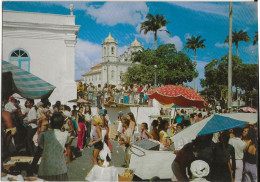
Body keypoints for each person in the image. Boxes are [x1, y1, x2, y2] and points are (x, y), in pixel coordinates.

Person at [38, 112, 69, 181]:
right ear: (62, 125)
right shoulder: (65, 135)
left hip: (46, 168)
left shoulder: (44, 135)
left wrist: (33, 165)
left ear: (50, 124)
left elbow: (39, 150)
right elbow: (67, 146)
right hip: (60, 168)